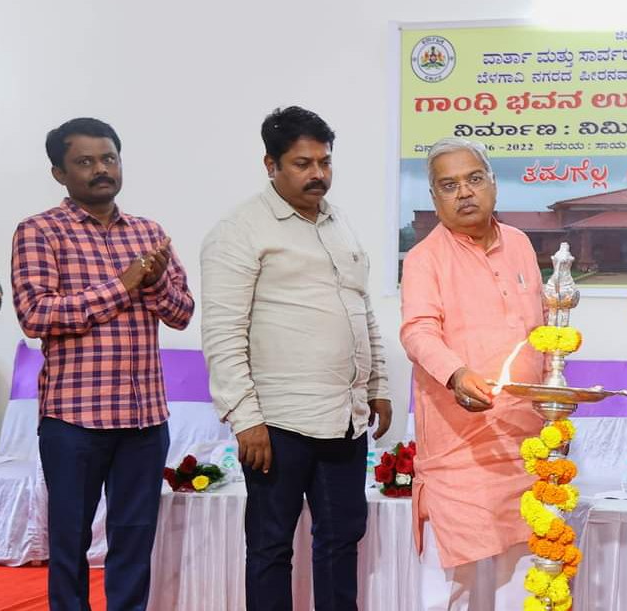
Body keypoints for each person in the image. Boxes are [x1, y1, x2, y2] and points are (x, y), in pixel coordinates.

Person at [200, 106, 392, 610]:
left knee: (342, 538)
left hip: (344, 419)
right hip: (277, 424)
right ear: (271, 165)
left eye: (324, 162)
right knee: (270, 547)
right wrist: (245, 419)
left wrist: (379, 386)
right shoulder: (239, 230)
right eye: (303, 164)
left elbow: (362, 309)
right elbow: (222, 333)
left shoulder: (337, 222)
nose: (318, 174)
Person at [11, 117, 194, 610]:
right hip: (74, 420)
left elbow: (181, 314)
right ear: (59, 172)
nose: (101, 169)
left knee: (134, 541)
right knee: (69, 541)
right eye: (85, 161)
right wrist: (123, 284)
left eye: (109, 158)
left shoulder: (149, 233)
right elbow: (36, 315)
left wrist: (153, 281)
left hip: (143, 419)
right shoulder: (39, 231)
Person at [399, 136, 544, 610]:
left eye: (474, 179)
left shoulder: (520, 244)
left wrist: (552, 413)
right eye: (449, 185)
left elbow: (541, 331)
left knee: (521, 584)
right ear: (434, 197)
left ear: (493, 185)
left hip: (522, 445)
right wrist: (456, 374)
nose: (464, 192)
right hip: (460, 451)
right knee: (453, 588)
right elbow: (417, 331)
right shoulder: (424, 258)